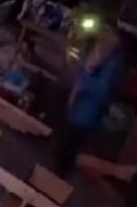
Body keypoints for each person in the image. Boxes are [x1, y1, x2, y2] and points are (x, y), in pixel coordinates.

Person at [54, 27, 130, 177]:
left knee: (69, 151)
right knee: (64, 146)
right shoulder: (103, 54)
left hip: (86, 114)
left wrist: (87, 75)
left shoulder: (114, 63)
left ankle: (58, 177)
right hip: (78, 110)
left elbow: (101, 89)